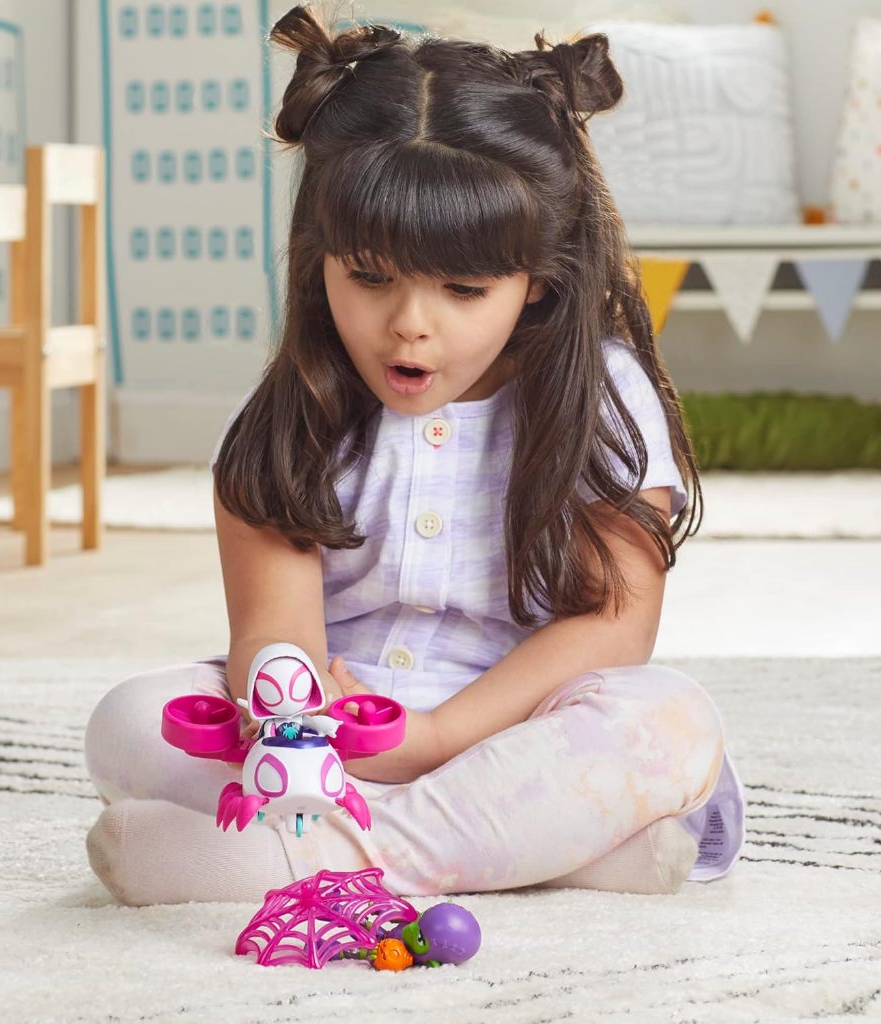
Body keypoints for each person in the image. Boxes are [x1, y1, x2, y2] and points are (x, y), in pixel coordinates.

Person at [83, 3, 746, 906]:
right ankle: (552, 851)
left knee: (668, 721)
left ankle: (290, 860)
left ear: (538, 279)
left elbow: (613, 631)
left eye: (464, 289)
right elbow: (272, 631)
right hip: (331, 747)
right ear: (320, 256)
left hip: (521, 734)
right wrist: (291, 705)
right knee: (129, 723)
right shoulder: (284, 417)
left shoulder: (603, 398)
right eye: (368, 276)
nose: (409, 324)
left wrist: (432, 740)